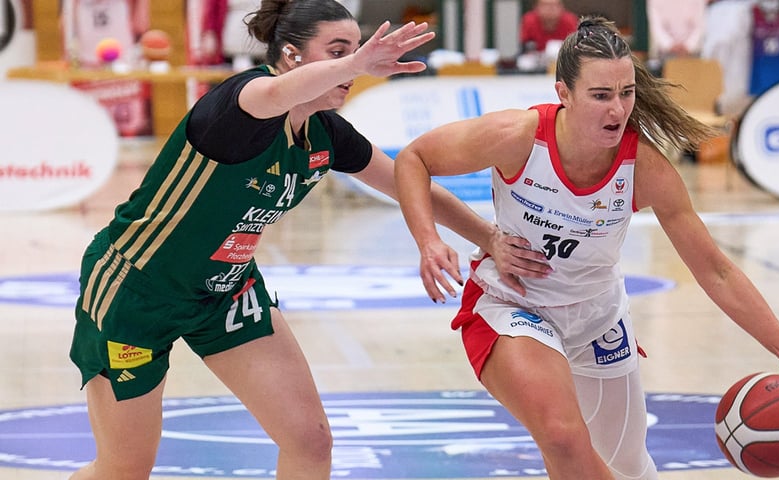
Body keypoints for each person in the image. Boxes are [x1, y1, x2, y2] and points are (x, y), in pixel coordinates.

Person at [66, 1, 517, 478]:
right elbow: (274, 92)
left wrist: (490, 236)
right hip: (137, 289)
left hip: (226, 292)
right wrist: (355, 63)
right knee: (124, 468)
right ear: (290, 55)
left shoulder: (325, 132)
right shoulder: (243, 104)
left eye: (355, 50)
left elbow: (410, 185)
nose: (353, 64)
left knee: (310, 441)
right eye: (337, 51)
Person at [394, 16, 779, 480]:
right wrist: (428, 240)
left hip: (597, 315)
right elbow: (414, 159)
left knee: (629, 468)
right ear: (564, 94)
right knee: (563, 437)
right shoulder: (518, 136)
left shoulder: (645, 169)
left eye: (626, 93)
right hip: (513, 303)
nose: (617, 110)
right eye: (601, 96)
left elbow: (715, 270)